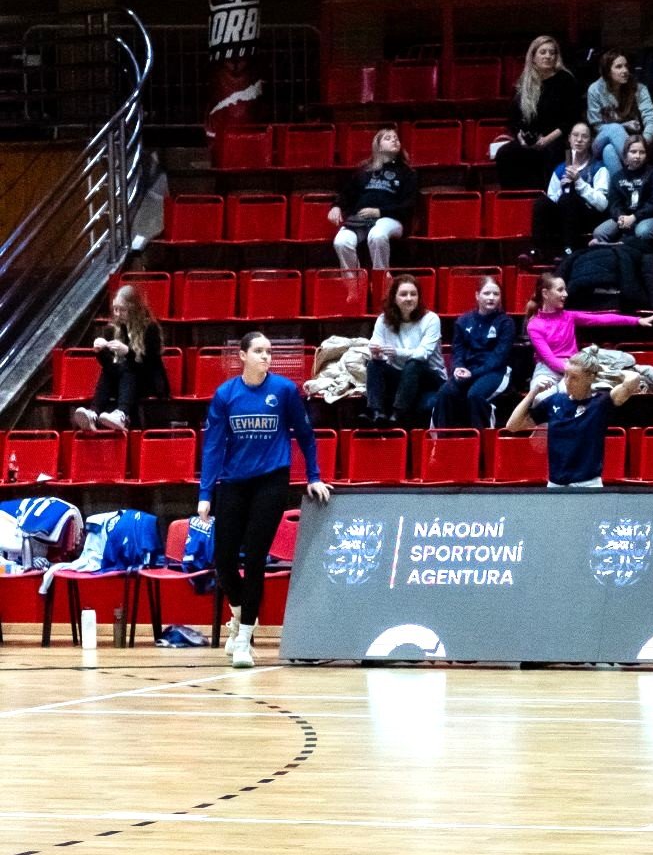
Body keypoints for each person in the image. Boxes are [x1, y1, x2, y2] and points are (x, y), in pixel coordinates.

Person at [197, 331, 331, 669]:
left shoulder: (284, 391)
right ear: (242, 355)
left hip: (271, 482)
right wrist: (205, 493)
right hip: (233, 482)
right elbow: (213, 446)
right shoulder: (225, 395)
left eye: (269, 351)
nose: (266, 357)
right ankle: (240, 614)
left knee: (255, 558)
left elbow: (305, 435)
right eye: (259, 351)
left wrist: (314, 476)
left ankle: (244, 639)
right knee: (223, 560)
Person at [503, 348, 644, 488]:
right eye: (566, 375)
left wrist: (607, 371)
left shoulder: (602, 402)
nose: (567, 381)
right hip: (555, 484)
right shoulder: (554, 401)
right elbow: (512, 426)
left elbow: (633, 379)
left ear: (590, 378)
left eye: (574, 377)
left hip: (588, 485)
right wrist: (532, 393)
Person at [523, 270, 653, 397]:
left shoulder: (569, 316)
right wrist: (577, 370)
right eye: (560, 290)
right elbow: (550, 360)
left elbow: (603, 319)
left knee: (569, 395)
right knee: (540, 398)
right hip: (548, 370)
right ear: (545, 293)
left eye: (565, 289)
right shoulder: (534, 325)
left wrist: (637, 320)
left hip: (573, 365)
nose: (566, 294)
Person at [72, 283, 168, 433]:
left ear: (134, 309)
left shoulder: (150, 328)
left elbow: (150, 363)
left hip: (147, 380)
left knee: (127, 366)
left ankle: (122, 414)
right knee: (109, 371)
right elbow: (110, 366)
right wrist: (100, 352)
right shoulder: (113, 328)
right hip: (124, 382)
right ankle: (94, 413)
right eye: (115, 309)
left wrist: (128, 352)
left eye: (122, 310)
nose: (117, 314)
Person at [495, 35, 584, 191]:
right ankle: (514, 197)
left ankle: (547, 197)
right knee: (504, 153)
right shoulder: (524, 82)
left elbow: (571, 119)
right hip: (530, 139)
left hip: (557, 137)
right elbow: (514, 118)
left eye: (552, 53)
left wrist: (547, 139)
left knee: (551, 154)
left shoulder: (566, 80)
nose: (548, 56)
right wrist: (521, 137)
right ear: (533, 57)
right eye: (543, 52)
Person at [364, 274, 444, 428]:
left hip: (429, 375)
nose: (409, 298)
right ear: (394, 298)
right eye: (403, 294)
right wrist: (376, 353)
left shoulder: (431, 319)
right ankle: (376, 412)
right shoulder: (383, 319)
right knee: (373, 364)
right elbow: (375, 343)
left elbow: (423, 354)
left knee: (414, 363)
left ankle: (398, 413)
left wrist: (396, 352)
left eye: (413, 294)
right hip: (400, 375)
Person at [435, 276, 515, 429]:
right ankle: (443, 439)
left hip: (495, 372)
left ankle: (483, 439)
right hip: (468, 370)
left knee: (475, 395)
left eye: (496, 294)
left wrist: (473, 373)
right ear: (477, 295)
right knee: (445, 393)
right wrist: (458, 367)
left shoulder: (506, 323)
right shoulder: (463, 321)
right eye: (487, 293)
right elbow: (458, 350)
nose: (491, 297)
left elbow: (498, 358)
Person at [329, 126, 413, 271]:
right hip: (361, 220)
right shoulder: (365, 170)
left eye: (396, 138)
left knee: (377, 235)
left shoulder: (407, 173)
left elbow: (408, 205)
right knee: (341, 242)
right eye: (388, 138)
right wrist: (336, 206)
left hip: (391, 219)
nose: (394, 140)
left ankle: (381, 277)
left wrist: (379, 212)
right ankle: (353, 283)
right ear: (378, 146)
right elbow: (347, 193)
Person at [532, 123, 610, 259]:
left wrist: (579, 182)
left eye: (584, 136)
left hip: (588, 217)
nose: (579, 140)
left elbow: (602, 204)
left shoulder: (599, 168)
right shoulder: (560, 169)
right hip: (564, 215)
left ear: (590, 141)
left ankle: (569, 250)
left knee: (568, 199)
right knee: (541, 203)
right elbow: (552, 199)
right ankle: (538, 250)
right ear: (569, 139)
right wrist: (561, 189)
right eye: (575, 135)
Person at [585, 48, 653, 180]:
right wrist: (624, 126)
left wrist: (641, 144)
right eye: (619, 67)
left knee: (609, 151)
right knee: (614, 129)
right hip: (600, 139)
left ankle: (624, 188)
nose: (625, 71)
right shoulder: (595, 90)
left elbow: (651, 120)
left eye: (626, 66)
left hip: (635, 143)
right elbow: (597, 125)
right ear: (608, 71)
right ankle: (640, 175)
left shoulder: (639, 88)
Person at [592, 136, 653, 249]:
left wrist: (634, 217)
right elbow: (614, 204)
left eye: (642, 152)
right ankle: (614, 253)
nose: (637, 156)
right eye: (633, 152)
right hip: (624, 217)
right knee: (599, 233)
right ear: (626, 155)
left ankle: (643, 253)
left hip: (648, 216)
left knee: (642, 231)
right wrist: (620, 217)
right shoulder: (618, 177)